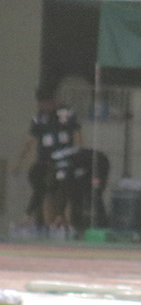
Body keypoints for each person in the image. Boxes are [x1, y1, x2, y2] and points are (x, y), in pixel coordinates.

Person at [13, 87, 82, 236]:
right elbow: (29, 140)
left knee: (65, 190)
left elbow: (77, 135)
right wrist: (19, 161)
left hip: (65, 159)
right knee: (46, 191)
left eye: (47, 102)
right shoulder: (39, 118)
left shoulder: (67, 114)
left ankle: (65, 223)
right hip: (45, 161)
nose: (45, 106)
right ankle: (49, 225)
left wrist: (77, 154)